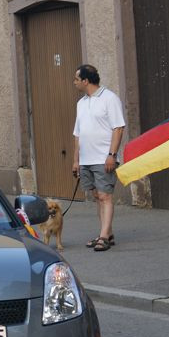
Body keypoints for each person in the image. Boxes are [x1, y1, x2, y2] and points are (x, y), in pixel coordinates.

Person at [71, 64, 125, 252]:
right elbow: (77, 134)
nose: (74, 82)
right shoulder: (81, 103)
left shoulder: (109, 98)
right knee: (96, 196)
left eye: (77, 79)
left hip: (103, 158)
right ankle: (106, 233)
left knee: (105, 195)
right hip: (86, 159)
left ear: (86, 81)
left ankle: (103, 237)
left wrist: (112, 154)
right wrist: (76, 160)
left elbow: (118, 128)